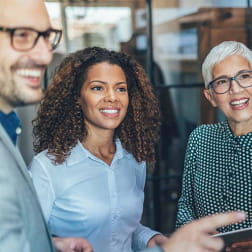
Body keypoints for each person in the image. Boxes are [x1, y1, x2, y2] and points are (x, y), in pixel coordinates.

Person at [30, 46, 168, 252]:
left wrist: (151, 239)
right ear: (77, 97)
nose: (112, 97)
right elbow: (28, 239)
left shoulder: (134, 161)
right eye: (98, 88)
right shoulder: (47, 166)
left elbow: (123, 228)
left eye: (121, 88)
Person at [0, 0, 92, 251]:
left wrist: (47, 245)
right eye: (22, 35)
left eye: (46, 37)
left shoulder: (8, 125)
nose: (45, 55)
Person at [176, 41, 252, 249]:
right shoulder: (200, 138)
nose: (235, 89)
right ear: (210, 96)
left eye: (244, 76)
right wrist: (191, 234)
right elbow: (186, 205)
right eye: (221, 82)